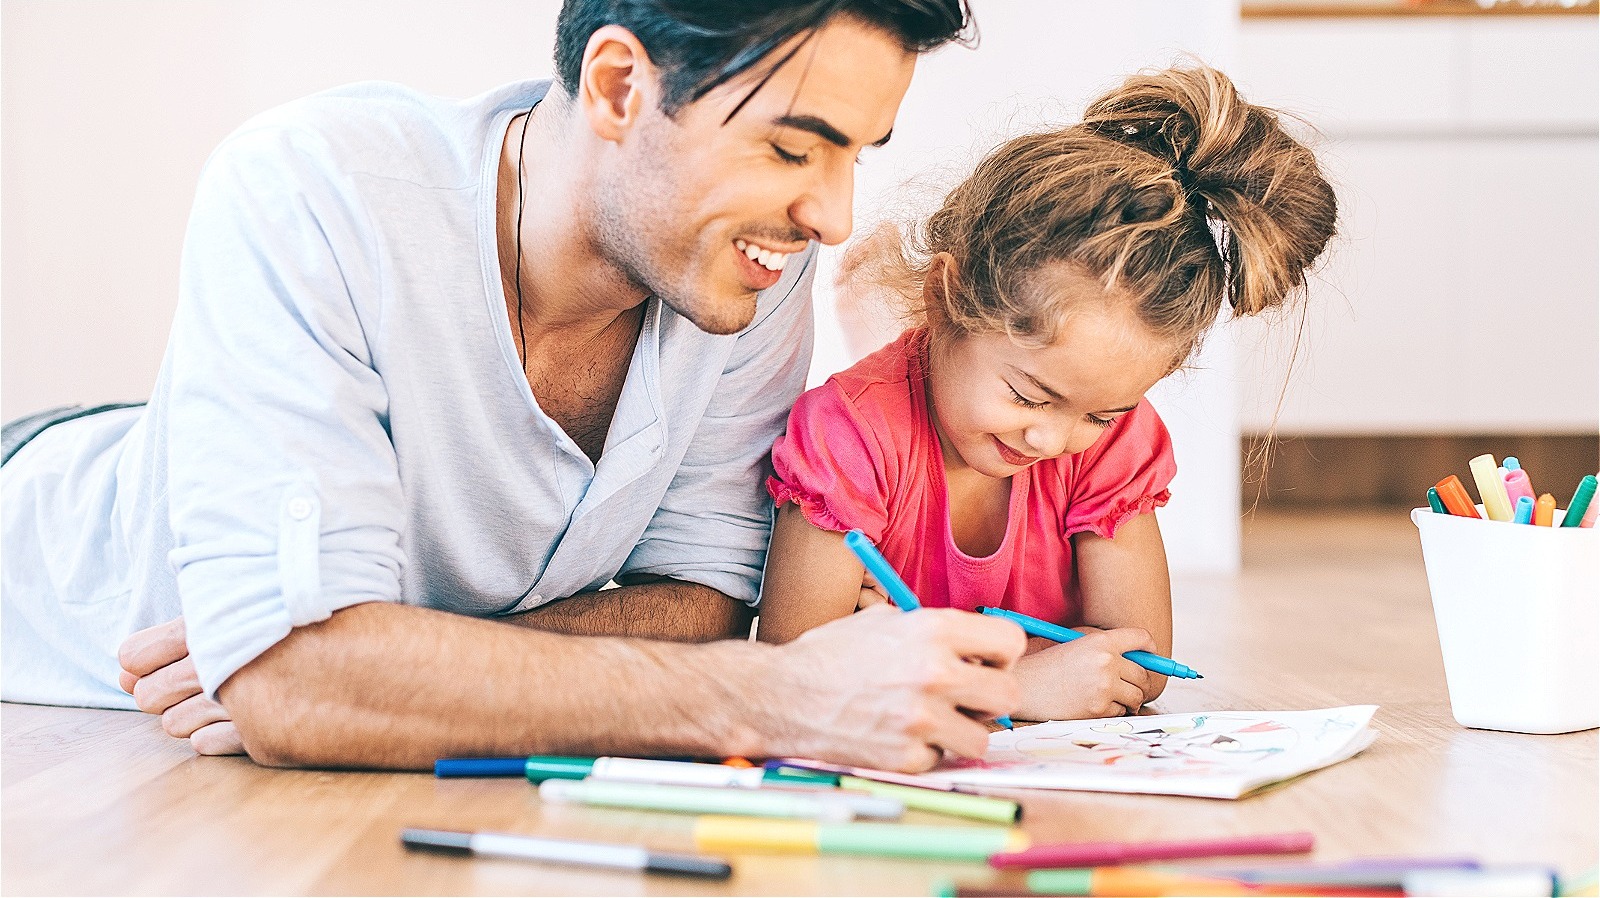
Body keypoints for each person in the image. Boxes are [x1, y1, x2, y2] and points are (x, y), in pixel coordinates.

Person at [0, 0, 1028, 772]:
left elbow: (702, 599)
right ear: (619, 87)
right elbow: (296, 687)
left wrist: (393, 678)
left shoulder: (749, 267)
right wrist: (782, 695)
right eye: (793, 148)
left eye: (854, 158)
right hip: (42, 533)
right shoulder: (313, 184)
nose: (833, 217)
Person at [756, 66, 1338, 721]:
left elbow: (1139, 664)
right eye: (1029, 397)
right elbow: (792, 673)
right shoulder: (848, 435)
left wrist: (918, 667)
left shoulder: (1116, 444)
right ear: (945, 297)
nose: (1052, 439)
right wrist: (1019, 685)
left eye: (1101, 414)